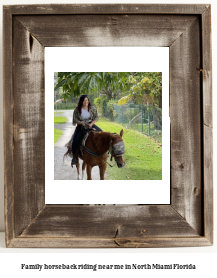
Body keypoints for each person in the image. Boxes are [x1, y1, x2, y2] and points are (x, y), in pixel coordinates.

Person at [71, 94, 102, 166]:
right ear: (81, 101)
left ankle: (104, 152)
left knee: (102, 133)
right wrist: (81, 123)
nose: (86, 102)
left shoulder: (92, 108)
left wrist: (91, 124)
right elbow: (75, 119)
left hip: (90, 125)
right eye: (84, 101)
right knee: (75, 141)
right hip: (81, 127)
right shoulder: (77, 109)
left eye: (87, 100)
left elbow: (96, 117)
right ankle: (75, 157)